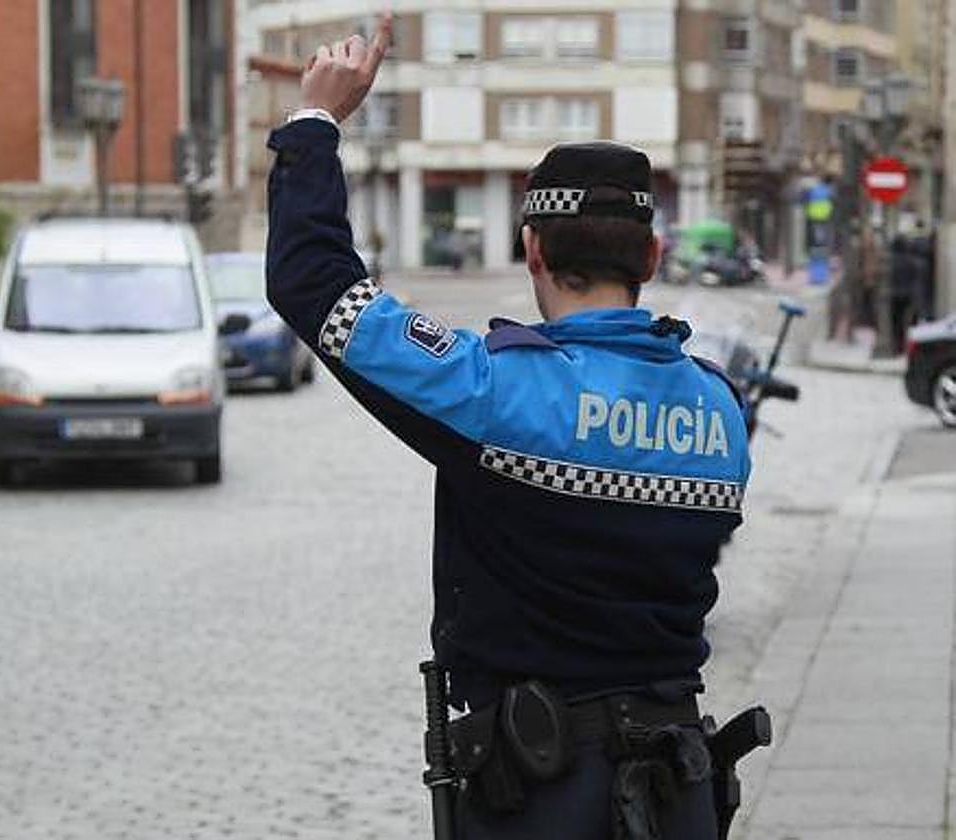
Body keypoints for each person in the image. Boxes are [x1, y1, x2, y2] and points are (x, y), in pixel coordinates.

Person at [264, 16, 751, 840]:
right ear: (652, 256)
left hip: (541, 795)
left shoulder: (497, 392)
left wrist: (315, 123)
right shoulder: (721, 408)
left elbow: (318, 288)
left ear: (533, 250)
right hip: (679, 792)